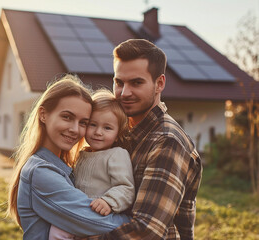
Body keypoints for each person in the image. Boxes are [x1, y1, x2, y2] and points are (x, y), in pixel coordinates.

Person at [81, 39, 203, 239]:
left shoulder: (167, 141)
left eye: (136, 82)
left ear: (159, 83)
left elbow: (146, 231)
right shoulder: (119, 133)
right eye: (119, 82)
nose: (125, 93)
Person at [6, 74, 130, 240]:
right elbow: (96, 222)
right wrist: (142, 222)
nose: (75, 129)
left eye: (83, 122)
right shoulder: (41, 171)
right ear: (43, 115)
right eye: (67, 117)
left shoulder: (67, 166)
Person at [49, 89, 136, 240]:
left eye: (107, 128)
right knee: (55, 231)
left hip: (101, 216)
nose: (98, 132)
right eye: (92, 124)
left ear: (118, 133)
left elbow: (126, 188)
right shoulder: (82, 154)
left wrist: (108, 201)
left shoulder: (116, 155)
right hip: (78, 213)